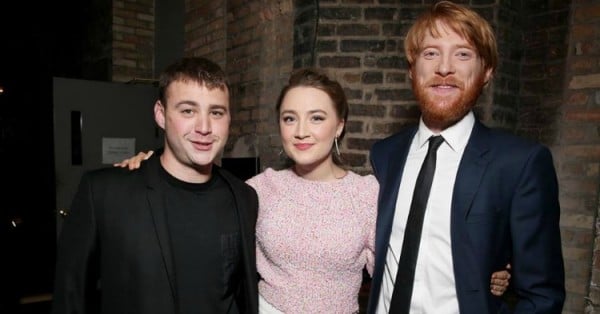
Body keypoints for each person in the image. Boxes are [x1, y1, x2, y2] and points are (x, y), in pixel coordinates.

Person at [117, 67, 511, 313]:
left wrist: (478, 270)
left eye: (316, 118)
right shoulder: (257, 189)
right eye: (290, 118)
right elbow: (194, 206)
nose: (301, 131)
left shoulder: (368, 193)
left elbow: (403, 269)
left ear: (339, 125)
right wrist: (148, 163)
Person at [367, 1, 565, 313]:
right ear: (411, 68)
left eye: (462, 54)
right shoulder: (385, 154)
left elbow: (542, 296)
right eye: (430, 53)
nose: (444, 67)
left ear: (486, 71)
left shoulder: (519, 163)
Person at [51, 57, 259, 314]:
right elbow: (70, 300)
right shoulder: (105, 193)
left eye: (216, 112)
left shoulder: (244, 197)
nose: (204, 127)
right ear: (161, 115)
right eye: (188, 111)